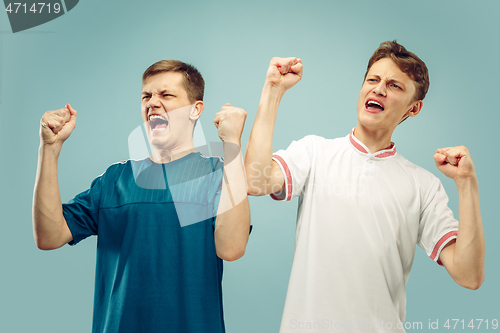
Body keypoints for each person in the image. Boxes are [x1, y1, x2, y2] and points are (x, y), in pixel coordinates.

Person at [244, 41, 484, 333]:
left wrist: (466, 184)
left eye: (394, 86)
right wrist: (273, 90)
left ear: (414, 108)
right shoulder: (315, 153)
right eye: (373, 79)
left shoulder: (423, 186)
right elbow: (255, 182)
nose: (379, 89)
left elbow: (469, 275)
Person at [32, 60, 251, 333]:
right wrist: (49, 150)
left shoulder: (219, 175)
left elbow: (231, 248)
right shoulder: (114, 180)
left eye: (166, 95)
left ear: (195, 109)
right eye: (146, 96)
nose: (152, 102)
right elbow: (49, 236)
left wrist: (232, 145)